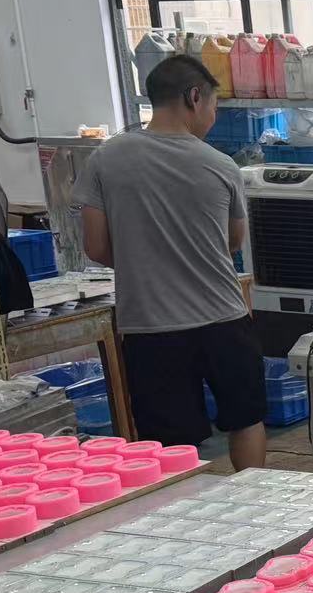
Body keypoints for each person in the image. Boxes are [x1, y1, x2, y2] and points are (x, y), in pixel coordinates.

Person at [76, 54, 267, 469]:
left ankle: (181, 508)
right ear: (194, 97)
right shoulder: (221, 165)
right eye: (214, 105)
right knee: (246, 418)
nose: (213, 117)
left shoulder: (105, 159)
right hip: (223, 319)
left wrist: (143, 261)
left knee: (170, 443)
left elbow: (96, 246)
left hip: (150, 326)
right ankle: (256, 500)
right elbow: (233, 243)